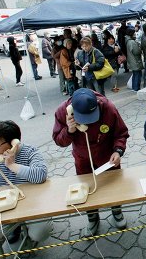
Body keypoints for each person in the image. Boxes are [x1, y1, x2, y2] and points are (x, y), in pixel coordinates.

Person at [52, 88, 130, 236]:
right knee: (86, 189)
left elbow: (121, 133)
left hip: (108, 157)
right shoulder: (63, 111)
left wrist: (118, 150)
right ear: (72, 110)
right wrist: (69, 130)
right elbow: (58, 141)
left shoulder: (108, 107)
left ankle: (117, 211)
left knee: (113, 185)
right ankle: (92, 217)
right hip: (83, 158)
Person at [0, 120, 51, 247]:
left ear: (13, 142)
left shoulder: (30, 152)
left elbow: (40, 175)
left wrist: (12, 165)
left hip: (33, 205)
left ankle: (29, 229)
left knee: (39, 233)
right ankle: (16, 227)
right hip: (5, 207)